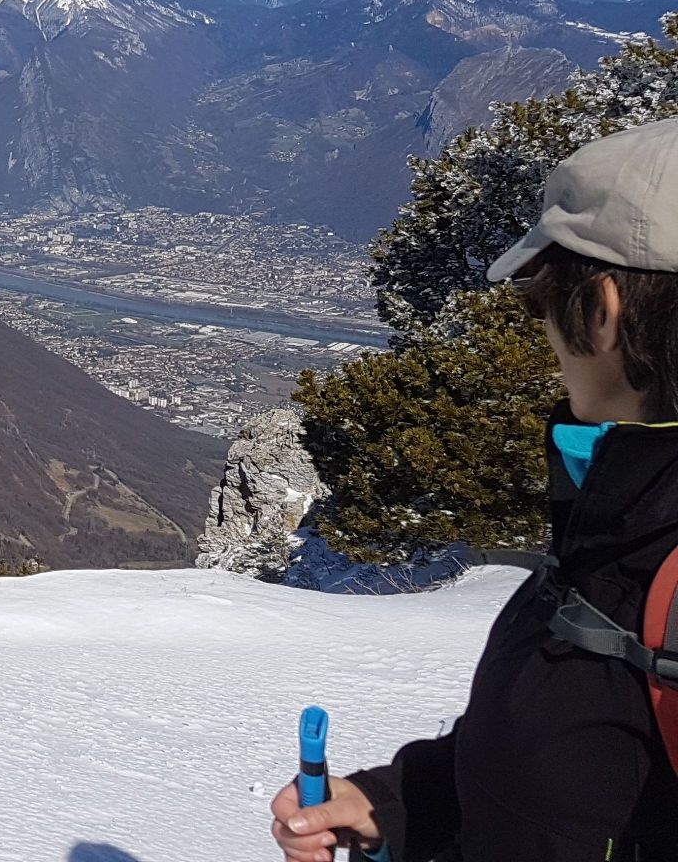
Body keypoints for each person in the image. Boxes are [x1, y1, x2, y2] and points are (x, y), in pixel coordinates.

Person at [270, 117, 678, 862]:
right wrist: (398, 804)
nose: (541, 330)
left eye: (541, 299)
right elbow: (571, 770)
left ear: (606, 310)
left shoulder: (649, 541)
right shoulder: (619, 521)